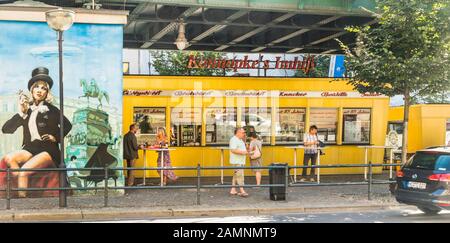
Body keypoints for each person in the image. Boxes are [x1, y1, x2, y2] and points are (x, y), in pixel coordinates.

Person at [1, 67, 72, 198]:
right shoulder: (27, 110)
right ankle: (23, 187)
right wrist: (21, 112)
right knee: (8, 158)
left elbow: (67, 125)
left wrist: (55, 137)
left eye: (43, 88)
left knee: (23, 172)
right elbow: (6, 129)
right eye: (37, 87)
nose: (39, 90)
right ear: (32, 89)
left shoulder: (52, 109)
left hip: (48, 149)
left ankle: (23, 200)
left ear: (47, 92)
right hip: (30, 148)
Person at [229, 127, 251, 197]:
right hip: (237, 161)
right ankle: (242, 190)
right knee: (240, 175)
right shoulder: (234, 139)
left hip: (240, 161)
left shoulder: (240, 140)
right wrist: (244, 152)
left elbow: (242, 148)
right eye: (243, 133)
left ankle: (233, 189)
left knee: (236, 175)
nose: (244, 134)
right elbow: (233, 150)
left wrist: (245, 141)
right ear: (238, 132)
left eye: (244, 133)